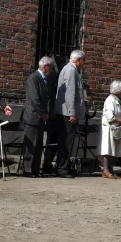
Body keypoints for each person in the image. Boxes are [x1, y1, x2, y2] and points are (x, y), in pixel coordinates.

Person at [53, 50, 87, 178]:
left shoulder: (69, 69)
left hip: (66, 112)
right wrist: (72, 113)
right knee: (66, 142)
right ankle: (62, 168)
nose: (84, 64)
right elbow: (70, 93)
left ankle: (65, 166)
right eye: (84, 61)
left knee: (67, 141)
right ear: (79, 60)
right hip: (67, 113)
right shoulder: (71, 71)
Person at [22, 56, 53, 177]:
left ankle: (35, 169)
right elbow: (35, 98)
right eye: (50, 67)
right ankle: (27, 169)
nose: (51, 70)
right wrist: (42, 113)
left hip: (40, 117)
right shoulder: (34, 77)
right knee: (31, 144)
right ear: (45, 67)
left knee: (38, 145)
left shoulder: (43, 79)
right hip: (33, 116)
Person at [100, 80, 121, 179]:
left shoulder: (116, 100)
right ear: (119, 91)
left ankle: (110, 169)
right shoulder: (110, 100)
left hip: (115, 127)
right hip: (108, 127)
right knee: (107, 149)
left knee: (113, 149)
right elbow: (110, 117)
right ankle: (105, 170)